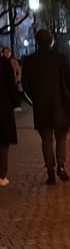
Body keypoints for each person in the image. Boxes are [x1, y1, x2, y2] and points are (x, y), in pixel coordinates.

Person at [21, 29, 70, 184]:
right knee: (61, 137)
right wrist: (69, 97)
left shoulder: (29, 61)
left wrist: (35, 100)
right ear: (51, 41)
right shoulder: (61, 59)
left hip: (41, 106)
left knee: (46, 139)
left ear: (37, 41)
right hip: (61, 103)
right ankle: (61, 165)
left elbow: (25, 86)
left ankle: (50, 171)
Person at [0, 52, 19, 186]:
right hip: (3, 107)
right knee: (2, 143)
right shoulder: (4, 63)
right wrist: (15, 103)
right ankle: (2, 175)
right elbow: (11, 85)